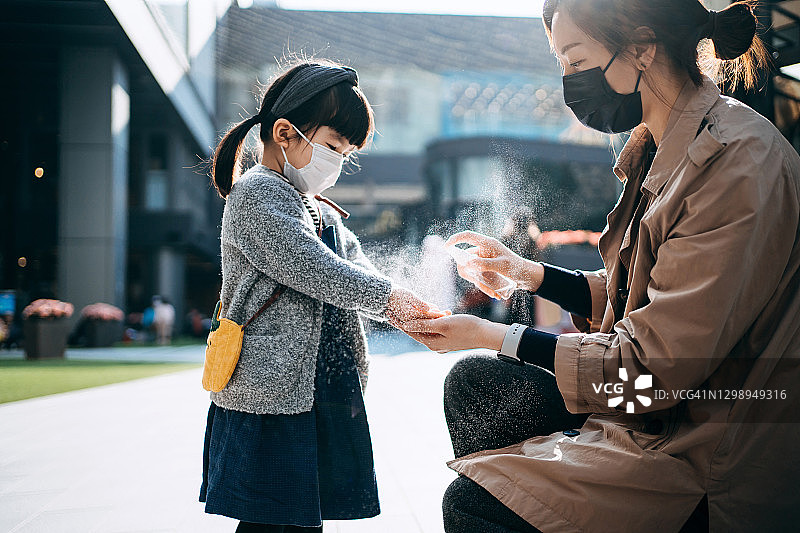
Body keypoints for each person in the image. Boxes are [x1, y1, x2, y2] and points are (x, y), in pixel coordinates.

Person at [400, 1, 800, 531]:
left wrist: (495, 335)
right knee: (476, 387)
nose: (567, 80)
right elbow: (644, 299)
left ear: (639, 48)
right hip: (657, 406)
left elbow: (652, 369)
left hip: (705, 442)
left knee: (474, 503)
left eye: (574, 59)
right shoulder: (660, 146)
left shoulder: (733, 161)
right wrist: (529, 274)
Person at [199, 60, 445, 533]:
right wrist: (390, 299)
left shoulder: (312, 205)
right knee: (275, 521)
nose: (338, 162)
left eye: (346, 152)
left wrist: (412, 309)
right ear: (286, 134)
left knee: (292, 521)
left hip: (312, 389)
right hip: (272, 396)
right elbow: (314, 269)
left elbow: (359, 269)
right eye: (333, 146)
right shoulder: (257, 195)